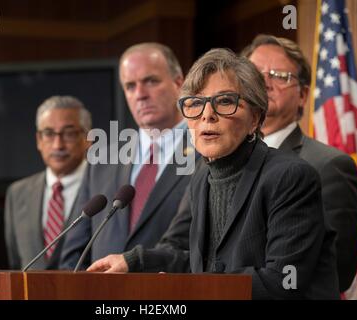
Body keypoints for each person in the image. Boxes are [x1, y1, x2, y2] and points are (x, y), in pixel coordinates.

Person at [87, 48, 340, 299]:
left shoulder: (290, 177)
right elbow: (206, 267)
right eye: (195, 103)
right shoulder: (202, 177)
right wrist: (134, 261)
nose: (208, 115)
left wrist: (188, 289)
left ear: (255, 118)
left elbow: (283, 280)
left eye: (225, 101)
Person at [241, 34, 357, 292]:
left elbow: (338, 270)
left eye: (280, 76)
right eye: (255, 73)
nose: (264, 82)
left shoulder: (329, 165)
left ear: (303, 96)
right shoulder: (217, 162)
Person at [58, 42, 196, 270]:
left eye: (151, 81)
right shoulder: (103, 159)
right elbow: (74, 254)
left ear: (179, 83)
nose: (140, 95)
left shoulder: (206, 154)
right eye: (130, 86)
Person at [4, 95, 91, 270]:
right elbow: (16, 264)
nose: (58, 145)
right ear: (39, 140)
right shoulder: (17, 193)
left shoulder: (105, 189)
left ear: (87, 139)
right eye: (49, 134)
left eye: (69, 134)